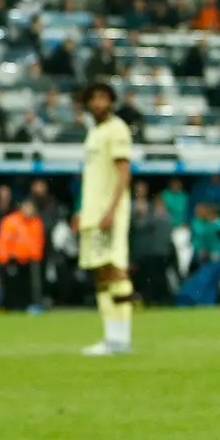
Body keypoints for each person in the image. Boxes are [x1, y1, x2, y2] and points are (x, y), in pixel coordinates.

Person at [74, 82, 134, 354]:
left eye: (103, 98)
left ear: (111, 101)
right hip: (93, 214)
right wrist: (82, 211)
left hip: (110, 213)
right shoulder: (94, 133)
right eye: (94, 98)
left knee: (115, 269)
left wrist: (111, 210)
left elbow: (123, 173)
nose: (98, 103)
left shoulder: (117, 129)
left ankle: (122, 338)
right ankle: (110, 337)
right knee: (101, 273)